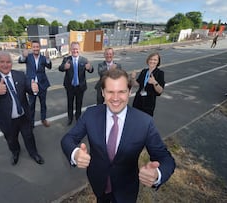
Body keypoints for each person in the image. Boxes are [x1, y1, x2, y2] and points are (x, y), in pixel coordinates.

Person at [61, 68, 175, 203]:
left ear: (129, 92)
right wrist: (75, 154)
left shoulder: (144, 122)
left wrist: (157, 174)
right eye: (110, 92)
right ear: (103, 92)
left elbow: (165, 158)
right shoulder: (90, 114)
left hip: (126, 191)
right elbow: (68, 139)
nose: (115, 98)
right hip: (98, 184)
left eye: (121, 92)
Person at [0, 51, 44, 165]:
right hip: (5, 119)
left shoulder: (19, 74)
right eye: (2, 62)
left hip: (23, 116)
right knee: (11, 139)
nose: (5, 65)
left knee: (29, 136)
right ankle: (15, 152)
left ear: (12, 63)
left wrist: (33, 88)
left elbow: (28, 87)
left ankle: (34, 153)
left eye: (8, 62)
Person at [59, 41, 94, 125]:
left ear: (79, 49)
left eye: (76, 49)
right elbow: (60, 68)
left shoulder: (84, 60)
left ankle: (78, 117)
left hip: (80, 87)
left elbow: (91, 70)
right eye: (73, 49)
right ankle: (70, 118)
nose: (75, 51)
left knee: (79, 103)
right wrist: (64, 67)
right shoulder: (66, 59)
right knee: (70, 103)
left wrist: (89, 68)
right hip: (70, 87)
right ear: (71, 50)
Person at [18, 40, 52, 128]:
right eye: (34, 47)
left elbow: (49, 67)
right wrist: (23, 56)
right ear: (32, 48)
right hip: (31, 86)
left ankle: (43, 119)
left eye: (37, 47)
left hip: (42, 85)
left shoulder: (43, 58)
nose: (36, 49)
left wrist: (48, 59)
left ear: (39, 48)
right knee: (31, 105)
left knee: (43, 104)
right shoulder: (28, 57)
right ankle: (31, 122)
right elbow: (20, 61)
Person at [131, 52, 165, 116]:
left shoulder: (160, 73)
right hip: (138, 100)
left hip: (148, 103)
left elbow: (160, 91)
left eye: (155, 60)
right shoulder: (144, 71)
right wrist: (133, 78)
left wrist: (154, 82)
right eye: (151, 59)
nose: (152, 61)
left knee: (145, 122)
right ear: (148, 60)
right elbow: (136, 85)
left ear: (158, 62)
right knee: (135, 119)